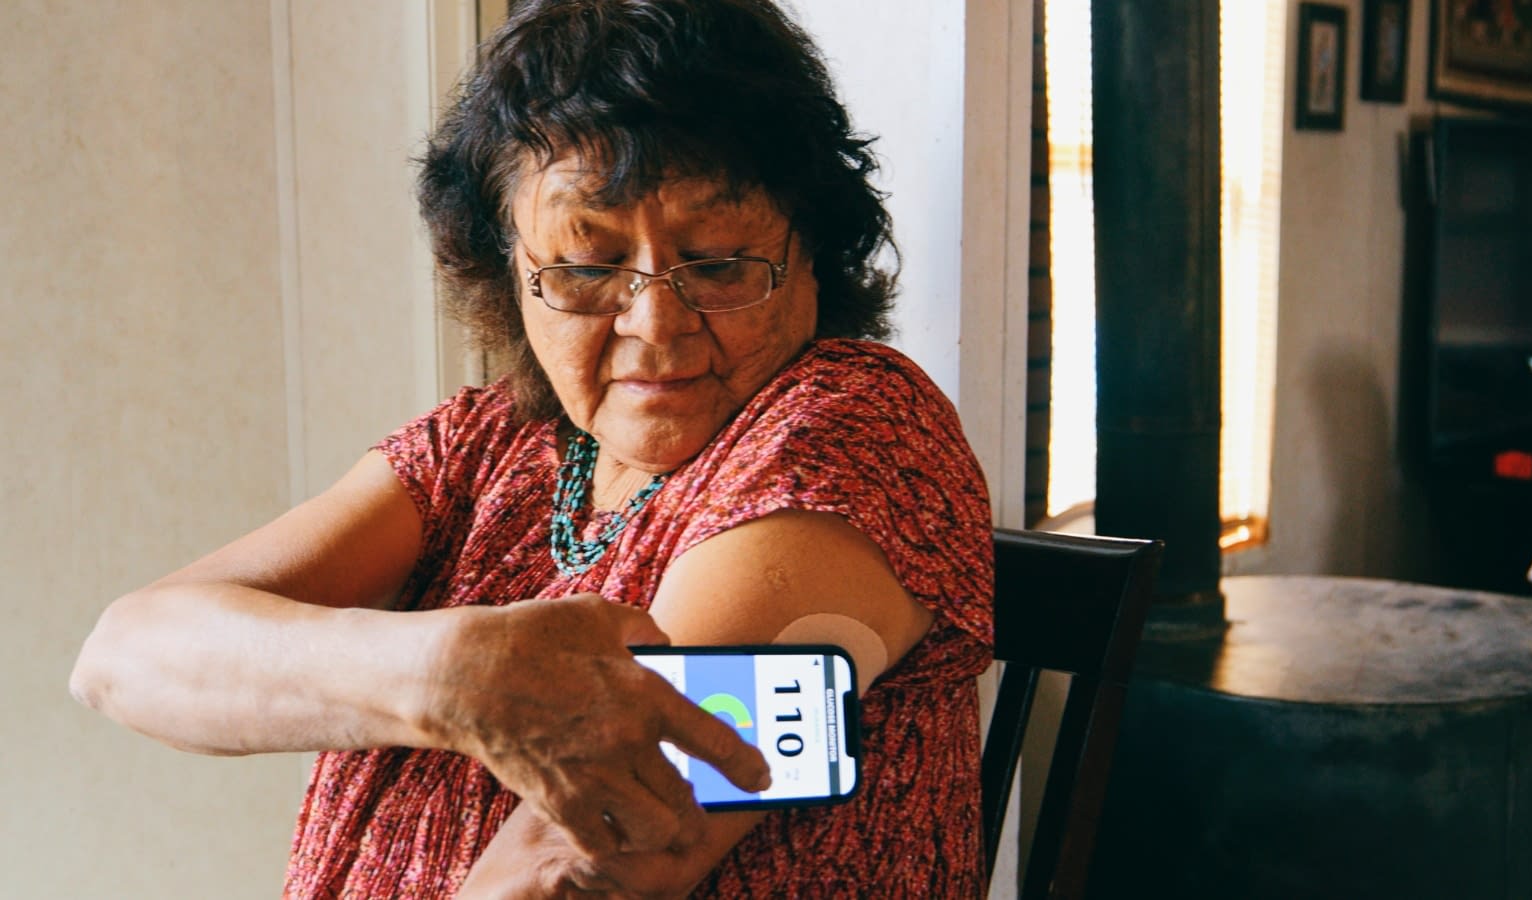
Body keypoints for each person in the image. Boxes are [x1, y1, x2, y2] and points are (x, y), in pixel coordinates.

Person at [70, 0, 995, 895]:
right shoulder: (489, 445)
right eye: (588, 269)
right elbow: (125, 658)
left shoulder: (848, 433)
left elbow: (584, 865)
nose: (656, 325)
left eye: (718, 262)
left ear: (815, 253)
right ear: (503, 271)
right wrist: (451, 675)